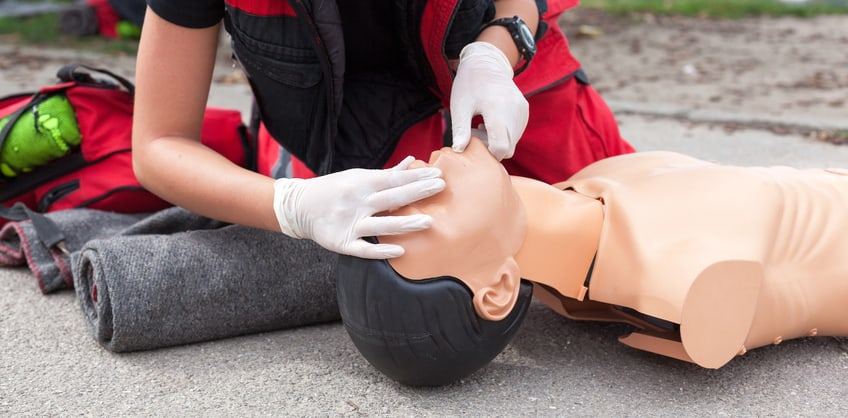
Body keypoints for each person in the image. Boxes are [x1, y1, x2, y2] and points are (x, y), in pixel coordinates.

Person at [131, 0, 634, 259]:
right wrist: (289, 206)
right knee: (415, 249)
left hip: (516, 92)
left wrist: (494, 56)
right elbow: (159, 144)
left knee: (630, 228)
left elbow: (516, 3)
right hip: (335, 136)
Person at [335, 137, 848, 386]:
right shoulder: (685, 280)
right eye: (421, 211)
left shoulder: (584, 191)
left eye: (393, 197)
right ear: (496, 290)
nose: (414, 175)